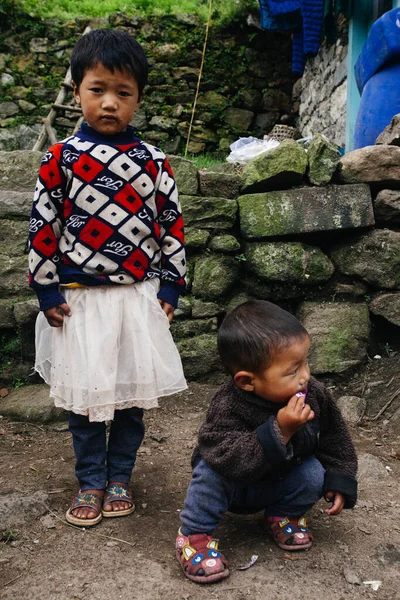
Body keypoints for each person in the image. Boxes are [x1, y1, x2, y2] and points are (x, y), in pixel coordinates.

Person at [28, 29, 187, 527]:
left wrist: (170, 285)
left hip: (136, 300)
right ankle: (91, 480)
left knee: (130, 398)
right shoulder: (61, 159)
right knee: (85, 400)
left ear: (138, 97)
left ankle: (121, 475)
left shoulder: (153, 162)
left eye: (124, 92)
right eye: (98, 89)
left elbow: (171, 227)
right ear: (77, 91)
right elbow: (43, 226)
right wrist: (45, 288)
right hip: (79, 302)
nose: (110, 103)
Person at [176, 300, 357, 584]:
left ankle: (282, 514)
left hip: (277, 480)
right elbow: (221, 452)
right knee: (209, 474)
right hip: (234, 486)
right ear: (247, 381)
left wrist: (340, 479)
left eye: (306, 362)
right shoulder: (228, 404)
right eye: (292, 371)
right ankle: (194, 534)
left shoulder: (314, 394)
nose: (306, 376)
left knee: (313, 473)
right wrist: (280, 431)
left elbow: (336, 438)